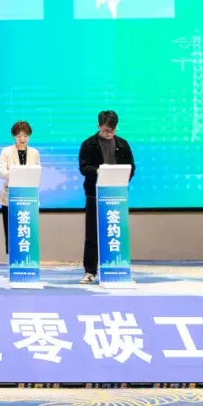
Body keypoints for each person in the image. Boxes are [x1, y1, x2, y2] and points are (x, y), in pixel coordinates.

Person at [78, 110, 136, 284]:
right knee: (92, 234)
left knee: (117, 232)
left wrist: (121, 178)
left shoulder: (123, 144)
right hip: (94, 194)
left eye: (111, 131)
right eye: (104, 130)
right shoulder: (89, 144)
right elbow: (83, 167)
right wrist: (99, 172)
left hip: (117, 195)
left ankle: (117, 268)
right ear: (98, 126)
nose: (108, 133)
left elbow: (131, 167)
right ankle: (90, 271)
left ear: (116, 128)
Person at [0, 120, 41, 254]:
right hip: (10, 196)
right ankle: (11, 259)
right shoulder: (6, 151)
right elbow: (1, 172)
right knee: (11, 231)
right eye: (19, 136)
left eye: (25, 136)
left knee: (28, 230)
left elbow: (37, 172)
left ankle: (28, 258)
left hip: (29, 197)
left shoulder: (34, 152)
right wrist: (17, 173)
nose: (22, 139)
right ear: (13, 136)